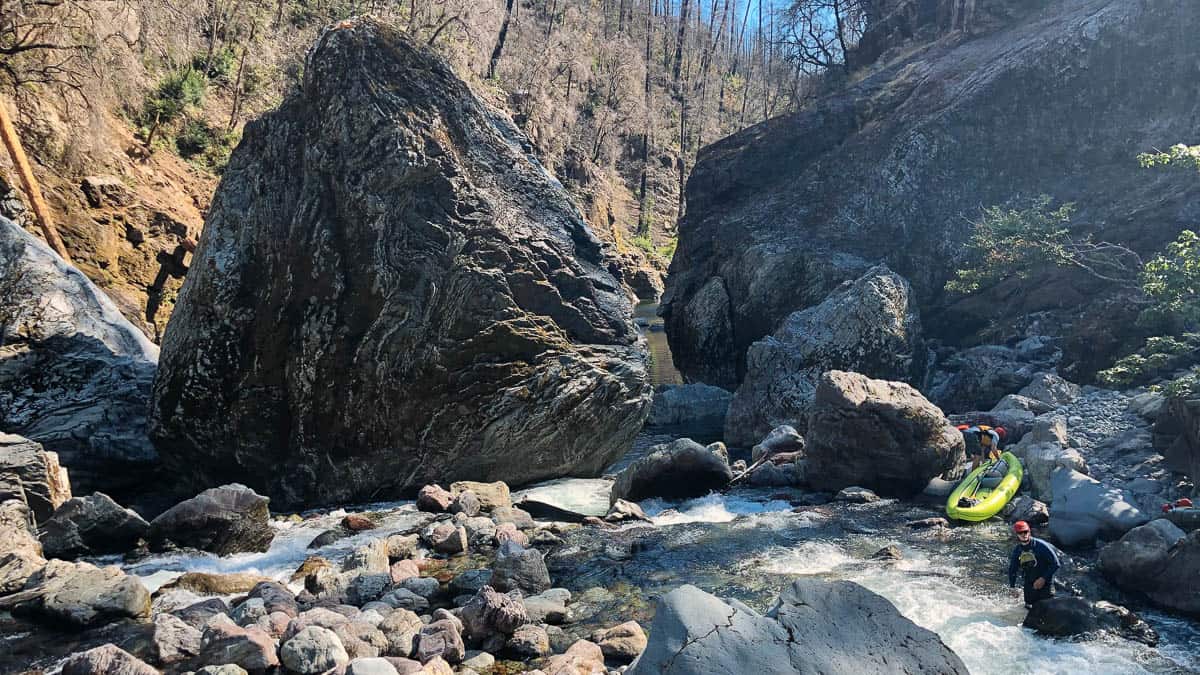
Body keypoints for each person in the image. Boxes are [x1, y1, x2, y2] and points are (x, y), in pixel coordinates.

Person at [1008, 520, 1060, 608]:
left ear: (1029, 531)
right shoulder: (1017, 550)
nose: (1024, 534)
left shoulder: (1041, 546)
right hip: (1029, 584)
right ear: (1016, 534)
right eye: (1020, 533)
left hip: (1046, 584)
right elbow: (1013, 569)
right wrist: (1012, 587)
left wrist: (1042, 579)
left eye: (1025, 532)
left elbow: (1056, 564)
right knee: (1029, 609)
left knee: (1047, 610)